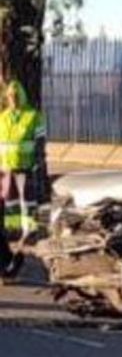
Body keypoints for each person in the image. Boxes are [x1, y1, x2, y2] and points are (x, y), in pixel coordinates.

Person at [0, 80, 46, 245]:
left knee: (29, 201)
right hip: (6, 167)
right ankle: (14, 230)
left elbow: (40, 141)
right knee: (10, 201)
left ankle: (31, 231)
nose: (14, 99)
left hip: (27, 166)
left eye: (17, 95)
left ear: (23, 96)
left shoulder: (33, 116)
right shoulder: (2, 117)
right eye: (11, 96)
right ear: (7, 97)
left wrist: (38, 161)